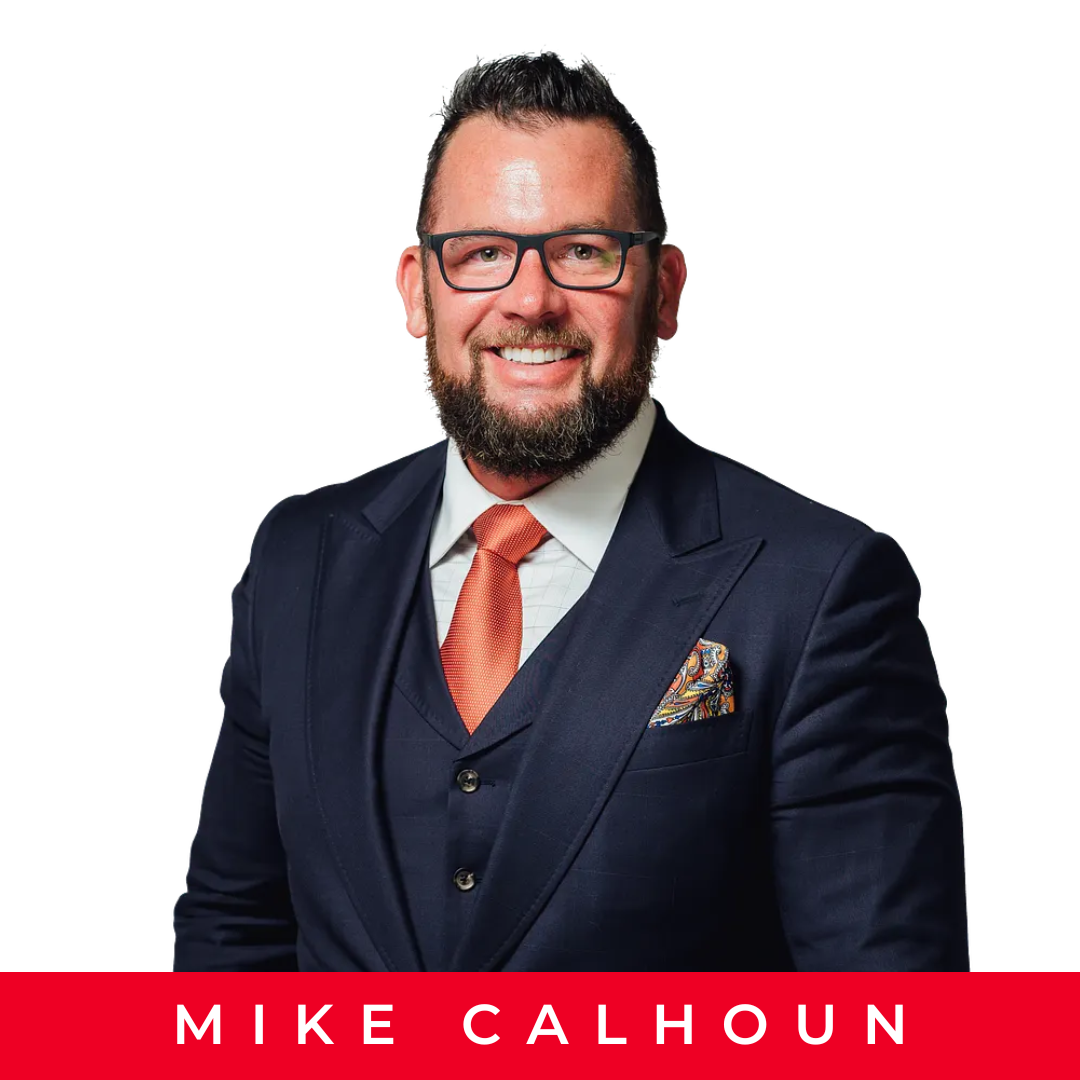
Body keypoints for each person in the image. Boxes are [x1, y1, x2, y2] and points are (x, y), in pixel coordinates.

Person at [174, 53, 968, 972]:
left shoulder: (822, 590)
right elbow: (234, 936)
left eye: (584, 252)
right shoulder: (300, 559)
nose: (530, 300)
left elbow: (892, 1017)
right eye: (481, 253)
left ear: (663, 290)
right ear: (417, 291)